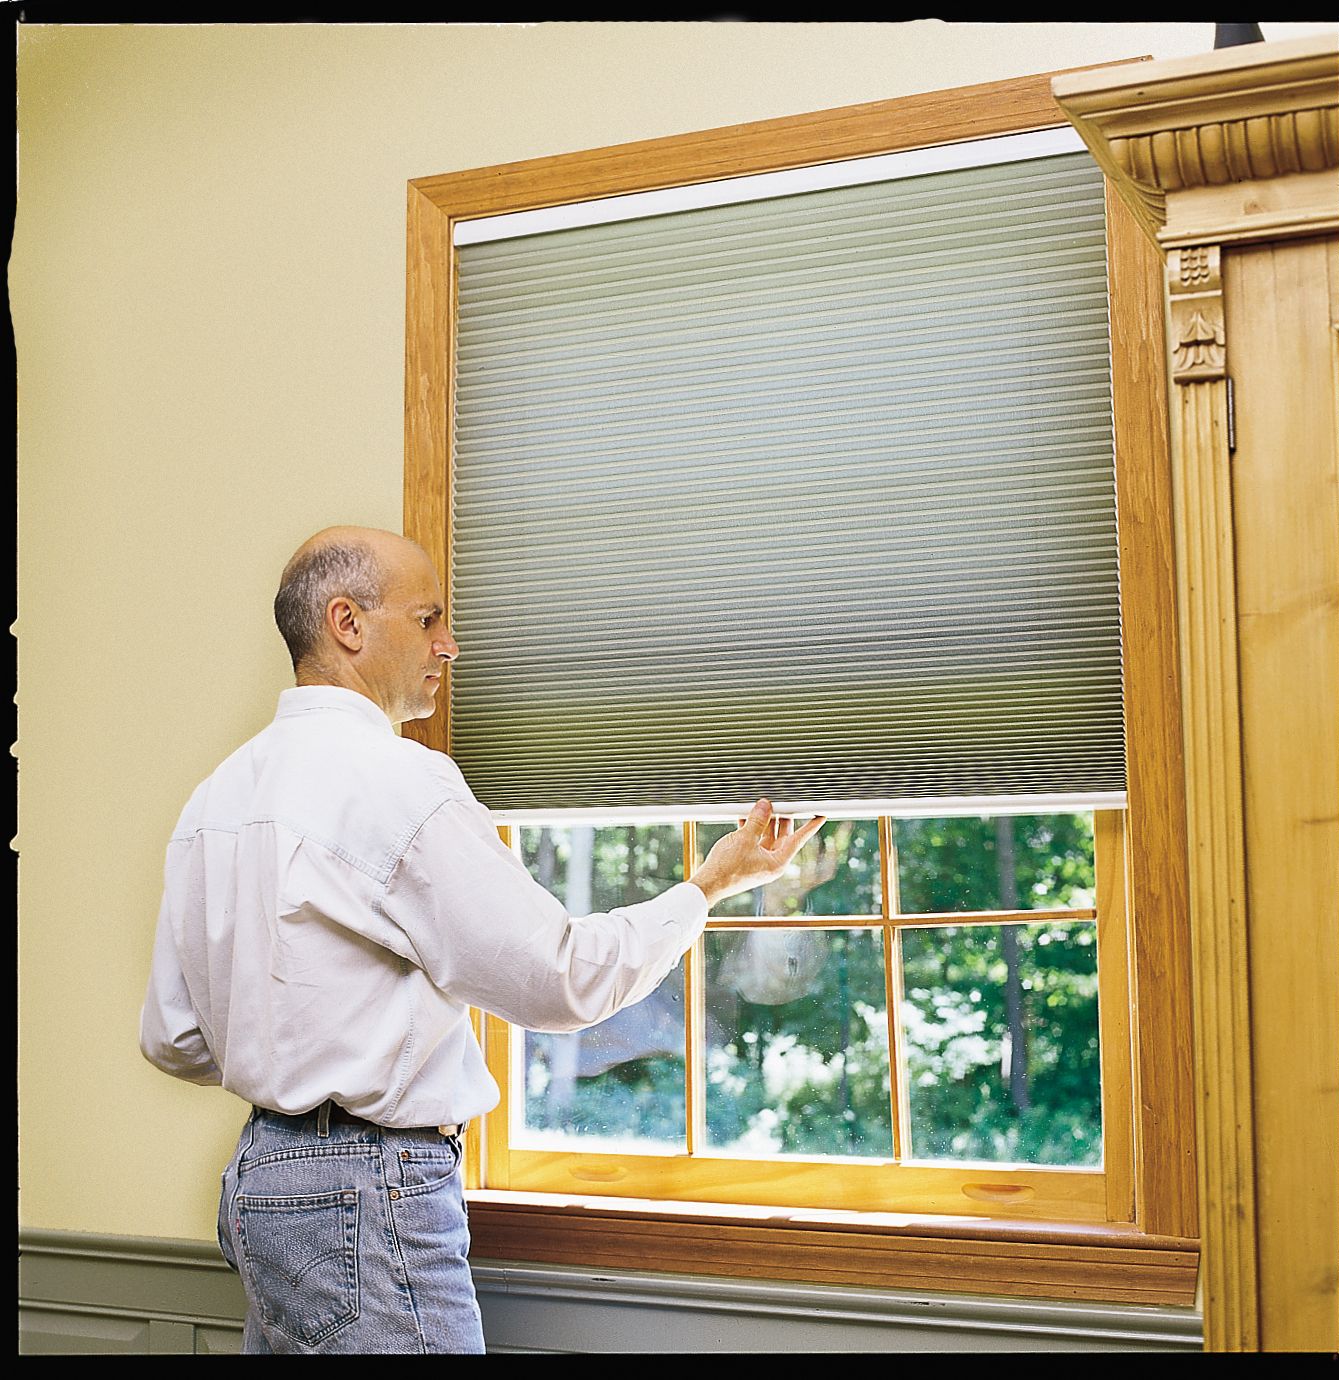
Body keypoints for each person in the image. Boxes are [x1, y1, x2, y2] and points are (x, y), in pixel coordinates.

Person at [138, 525, 825, 1354]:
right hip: (367, 1190)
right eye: (428, 619)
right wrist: (706, 886)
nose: (449, 645)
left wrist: (286, 1052)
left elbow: (172, 1039)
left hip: (260, 1181)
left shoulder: (214, 797)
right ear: (348, 624)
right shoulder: (396, 782)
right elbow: (558, 980)